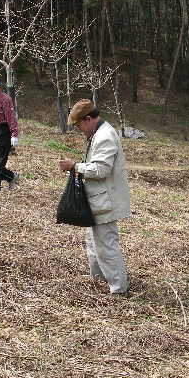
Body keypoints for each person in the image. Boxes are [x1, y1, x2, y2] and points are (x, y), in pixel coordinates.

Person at [58, 99, 130, 294]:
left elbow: (100, 169)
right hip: (96, 199)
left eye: (79, 125)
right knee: (93, 244)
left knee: (106, 246)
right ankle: (100, 281)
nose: (79, 129)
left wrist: (75, 166)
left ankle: (118, 289)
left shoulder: (105, 136)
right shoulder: (97, 134)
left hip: (105, 201)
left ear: (88, 119)